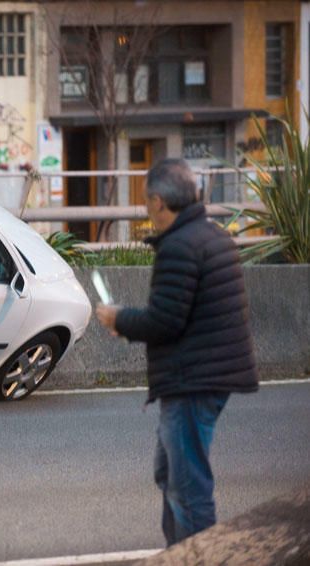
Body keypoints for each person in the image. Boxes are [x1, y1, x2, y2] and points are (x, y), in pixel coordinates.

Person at [95, 158, 259, 546]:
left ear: (157, 201)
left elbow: (166, 320)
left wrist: (119, 319)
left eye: (146, 201)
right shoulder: (211, 235)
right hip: (206, 376)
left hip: (192, 381)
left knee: (188, 489)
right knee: (168, 474)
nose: (147, 211)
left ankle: (198, 555)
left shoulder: (181, 247)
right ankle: (178, 553)